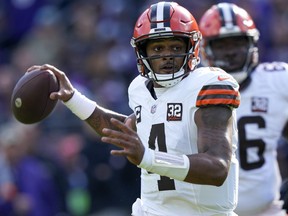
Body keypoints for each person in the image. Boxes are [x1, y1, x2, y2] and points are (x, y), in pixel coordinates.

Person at [27, 2, 241, 215]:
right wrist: (73, 99)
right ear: (142, 51)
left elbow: (217, 167)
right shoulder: (140, 89)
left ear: (191, 47)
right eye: (158, 48)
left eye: (175, 47)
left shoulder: (209, 84)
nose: (167, 55)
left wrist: (148, 158)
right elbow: (125, 131)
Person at [199, 2, 288, 216]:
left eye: (237, 43)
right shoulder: (190, 89)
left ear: (252, 44)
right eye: (222, 45)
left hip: (267, 210)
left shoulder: (277, 81)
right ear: (205, 48)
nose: (231, 53)